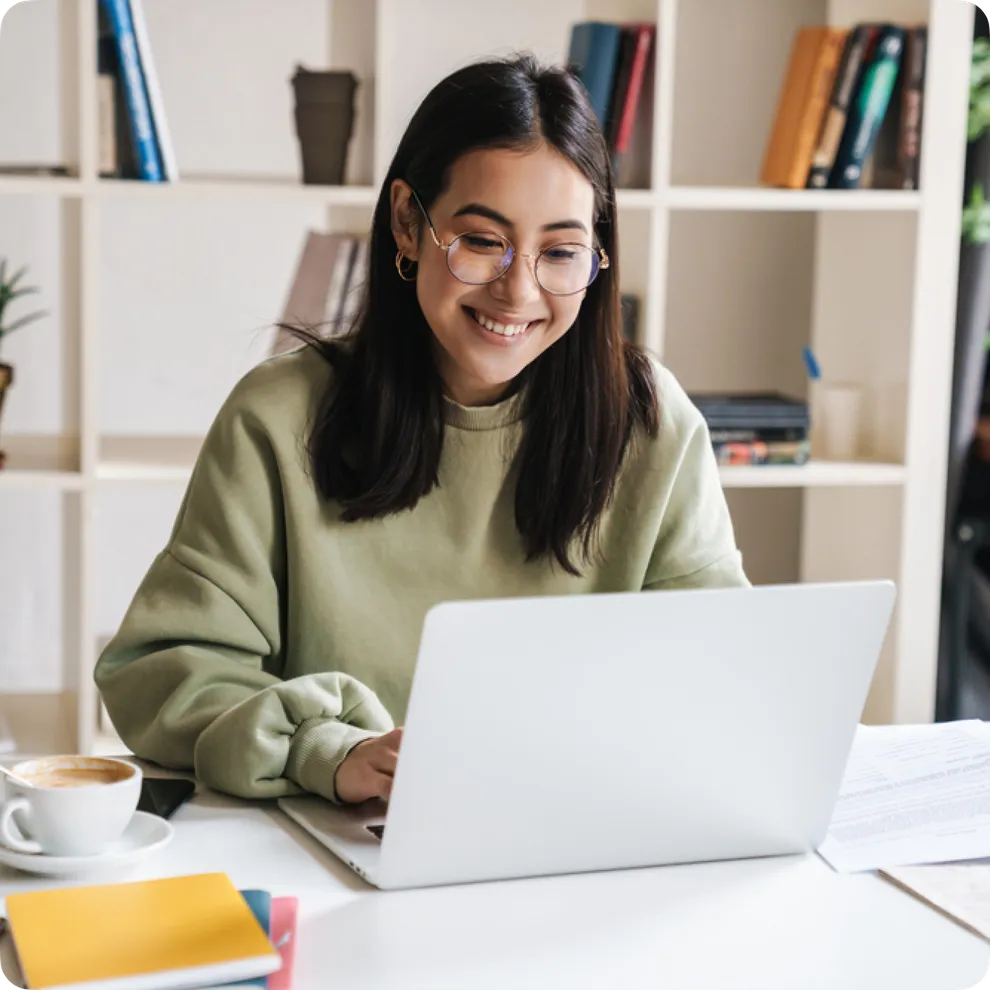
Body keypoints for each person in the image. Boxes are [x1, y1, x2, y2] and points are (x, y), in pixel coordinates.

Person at [95, 53, 749, 808]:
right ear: (408, 223)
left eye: (561, 252)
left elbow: (719, 675)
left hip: (580, 834)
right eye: (481, 240)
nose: (519, 289)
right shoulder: (278, 419)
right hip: (339, 842)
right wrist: (324, 749)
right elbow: (163, 669)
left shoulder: (652, 426)